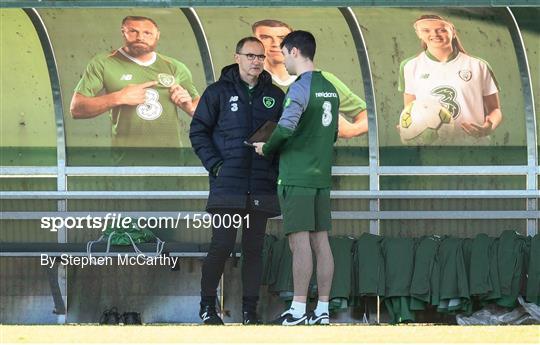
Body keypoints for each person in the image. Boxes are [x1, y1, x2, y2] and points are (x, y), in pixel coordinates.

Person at [189, 37, 285, 325]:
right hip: (227, 186)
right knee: (222, 245)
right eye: (251, 56)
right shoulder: (217, 92)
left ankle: (249, 311)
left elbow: (283, 138)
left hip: (261, 186)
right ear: (238, 57)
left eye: (261, 57)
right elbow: (198, 132)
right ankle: (207, 307)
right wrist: (216, 165)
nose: (256, 61)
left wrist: (274, 168)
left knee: (254, 249)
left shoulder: (276, 95)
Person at [254, 30, 337, 326]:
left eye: (283, 52)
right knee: (321, 241)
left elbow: (286, 128)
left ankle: (299, 310)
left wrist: (267, 146)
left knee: (299, 243)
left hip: (297, 175)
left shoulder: (300, 87)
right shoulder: (330, 87)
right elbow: (334, 133)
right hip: (321, 176)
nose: (284, 61)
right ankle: (323, 310)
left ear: (293, 52)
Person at [70, 16, 200, 156]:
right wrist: (118, 97)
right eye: (133, 31)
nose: (140, 37)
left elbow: (200, 107)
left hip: (170, 159)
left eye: (147, 33)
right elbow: (76, 108)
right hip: (126, 160)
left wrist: (190, 108)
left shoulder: (175, 66)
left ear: (157, 35)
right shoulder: (104, 62)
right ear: (123, 32)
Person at [252, 19, 368, 138]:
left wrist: (351, 130)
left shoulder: (323, 80)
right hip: (258, 154)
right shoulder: (246, 79)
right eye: (265, 37)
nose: (275, 44)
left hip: (307, 155)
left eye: (282, 38)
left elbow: (368, 114)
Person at [398, 14, 503, 144]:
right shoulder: (409, 66)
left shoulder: (478, 65)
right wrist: (407, 127)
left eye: (441, 29)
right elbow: (410, 109)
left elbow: (495, 109)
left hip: (474, 146)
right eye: (426, 30)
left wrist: (488, 127)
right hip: (432, 148)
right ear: (418, 34)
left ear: (453, 32)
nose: (434, 34)